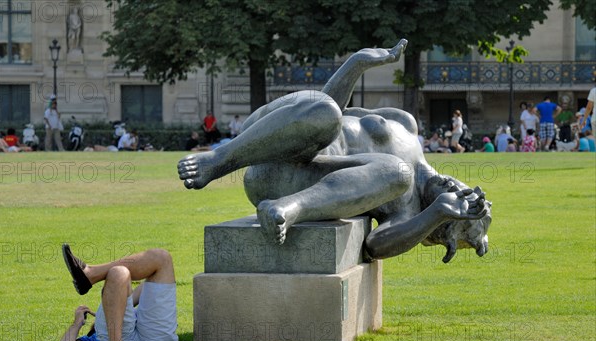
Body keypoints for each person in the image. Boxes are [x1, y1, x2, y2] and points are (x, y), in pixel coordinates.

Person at [178, 40, 491, 264]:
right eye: (468, 194)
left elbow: (375, 247)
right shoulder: (407, 126)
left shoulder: (405, 208)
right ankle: (219, 159)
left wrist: (436, 212)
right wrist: (355, 65)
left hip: (287, 182)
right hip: (272, 138)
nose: (458, 192)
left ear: (439, 228)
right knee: (325, 109)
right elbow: (321, 113)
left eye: (458, 209)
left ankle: (288, 209)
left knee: (398, 172)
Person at [57, 244, 178, 341]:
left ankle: (90, 274)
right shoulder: (93, 338)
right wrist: (77, 323)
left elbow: (145, 288)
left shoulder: (129, 312)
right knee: (118, 272)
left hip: (154, 340)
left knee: (161, 257)